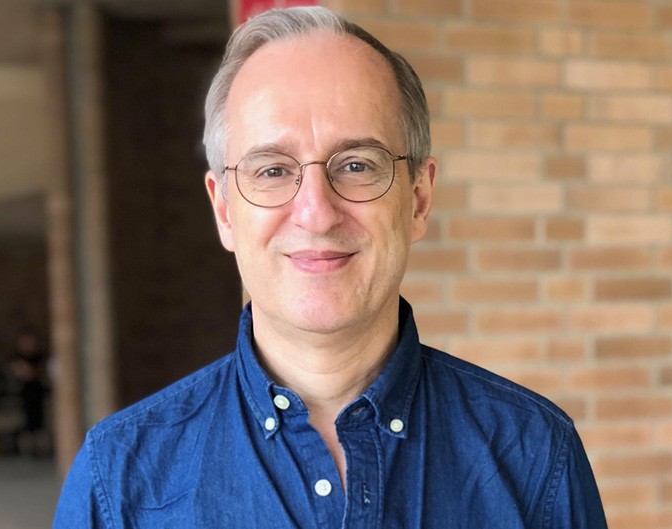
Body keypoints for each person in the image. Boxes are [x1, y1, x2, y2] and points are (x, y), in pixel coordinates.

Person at [54, 6, 607, 528]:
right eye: (272, 170)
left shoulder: (536, 454)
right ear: (224, 209)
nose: (316, 213)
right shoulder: (119, 478)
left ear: (418, 198)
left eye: (357, 165)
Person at [10, 325, 50, 456]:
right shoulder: (18, 357)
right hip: (24, 394)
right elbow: (23, 372)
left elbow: (41, 371)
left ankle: (41, 451)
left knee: (40, 423)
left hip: (37, 392)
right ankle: (27, 452)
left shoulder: (39, 356)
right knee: (26, 425)